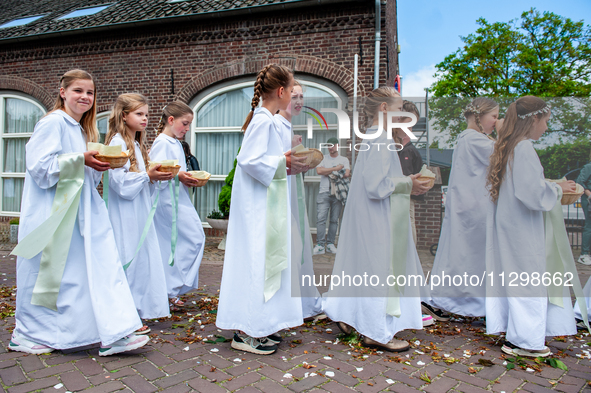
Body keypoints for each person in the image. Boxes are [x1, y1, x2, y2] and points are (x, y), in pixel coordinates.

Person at [10, 70, 149, 356]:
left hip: (82, 210)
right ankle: (29, 333)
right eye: (78, 91)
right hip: (56, 213)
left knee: (94, 270)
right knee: (51, 276)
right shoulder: (52, 124)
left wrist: (96, 165)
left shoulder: (79, 128)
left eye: (90, 92)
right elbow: (40, 168)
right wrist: (81, 160)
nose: (85, 97)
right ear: (62, 92)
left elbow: (79, 172)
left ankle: (112, 330)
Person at [322, 86, 430, 352]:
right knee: (379, 269)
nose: (402, 112)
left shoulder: (373, 137)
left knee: (365, 268)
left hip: (368, 215)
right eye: (399, 107)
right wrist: (409, 182)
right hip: (377, 217)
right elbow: (375, 186)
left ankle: (350, 315)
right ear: (384, 109)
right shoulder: (380, 139)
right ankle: (376, 331)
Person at [216, 64, 307, 355]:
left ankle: (260, 324)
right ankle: (246, 332)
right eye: (292, 91)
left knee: (266, 262)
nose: (293, 96)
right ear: (281, 92)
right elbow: (249, 160)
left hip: (266, 203)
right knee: (256, 263)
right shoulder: (263, 120)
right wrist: (283, 160)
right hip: (257, 210)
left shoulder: (266, 119)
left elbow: (269, 161)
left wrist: (287, 164)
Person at [485, 96, 577, 357]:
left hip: (511, 224)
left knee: (517, 278)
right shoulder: (523, 148)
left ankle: (518, 334)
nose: (546, 128)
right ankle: (526, 340)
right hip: (522, 227)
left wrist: (550, 186)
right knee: (528, 278)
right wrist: (557, 188)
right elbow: (531, 193)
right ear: (534, 119)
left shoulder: (510, 146)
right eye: (546, 121)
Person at [423, 98, 499, 320]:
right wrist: (508, 132)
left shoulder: (471, 139)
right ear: (479, 116)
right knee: (467, 256)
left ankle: (464, 301)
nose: (496, 121)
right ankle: (460, 301)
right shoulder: (474, 140)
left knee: (466, 255)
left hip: (470, 205)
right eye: (494, 116)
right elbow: (506, 155)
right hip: (473, 208)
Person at [105, 93, 173, 332]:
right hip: (125, 213)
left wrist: (155, 175)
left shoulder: (135, 143)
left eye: (146, 114)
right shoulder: (117, 143)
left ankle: (138, 309)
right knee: (129, 256)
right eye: (139, 114)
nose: (145, 119)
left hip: (139, 210)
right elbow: (119, 183)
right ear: (124, 116)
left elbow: (140, 180)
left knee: (142, 259)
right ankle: (126, 315)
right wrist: (147, 176)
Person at [151, 102, 208, 309]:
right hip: (168, 201)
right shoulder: (162, 142)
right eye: (185, 123)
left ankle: (171, 288)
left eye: (190, 124)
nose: (187, 129)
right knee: (192, 239)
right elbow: (157, 174)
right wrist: (180, 176)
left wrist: (184, 176)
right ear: (171, 120)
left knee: (178, 244)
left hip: (179, 198)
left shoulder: (174, 142)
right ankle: (170, 287)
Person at [275, 80, 324, 320]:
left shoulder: (289, 126)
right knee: (292, 243)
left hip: (294, 191)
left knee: (300, 242)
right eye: (294, 96)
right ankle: (293, 304)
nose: (299, 101)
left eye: (302, 97)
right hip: (282, 196)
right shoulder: (275, 124)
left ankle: (305, 301)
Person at [313, 137, 350, 255]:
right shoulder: (323, 158)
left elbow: (346, 174)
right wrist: (336, 169)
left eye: (332, 145)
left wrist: (327, 171)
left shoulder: (344, 160)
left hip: (338, 193)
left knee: (334, 220)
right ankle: (320, 245)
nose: (330, 148)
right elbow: (319, 171)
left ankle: (330, 244)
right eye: (328, 145)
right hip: (324, 192)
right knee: (321, 219)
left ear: (337, 146)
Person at [397, 101, 424, 245]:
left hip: (406, 195)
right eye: (410, 124)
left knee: (408, 222)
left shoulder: (409, 151)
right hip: (402, 193)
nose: (411, 129)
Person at [575, 158, 591, 265]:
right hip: (589, 200)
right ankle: (584, 255)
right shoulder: (589, 167)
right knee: (589, 226)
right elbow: (580, 182)